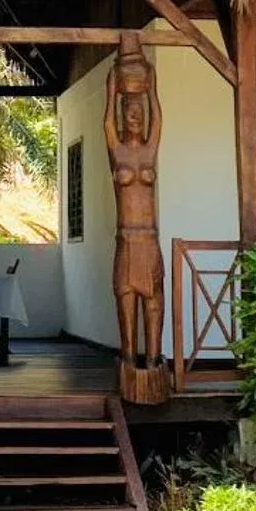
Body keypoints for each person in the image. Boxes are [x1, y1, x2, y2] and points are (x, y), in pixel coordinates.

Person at [105, 32, 165, 397]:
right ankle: (128, 364)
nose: (135, 114)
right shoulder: (119, 153)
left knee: (153, 306)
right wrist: (113, 88)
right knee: (126, 307)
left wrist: (152, 87)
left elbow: (159, 116)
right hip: (126, 241)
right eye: (130, 110)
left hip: (150, 240)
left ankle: (155, 366)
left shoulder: (149, 150)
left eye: (139, 110)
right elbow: (106, 123)